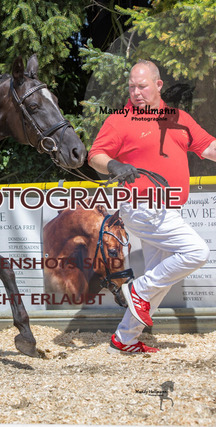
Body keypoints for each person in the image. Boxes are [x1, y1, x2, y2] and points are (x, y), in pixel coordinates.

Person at [88, 60, 216, 354]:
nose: (136, 92)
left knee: (161, 278)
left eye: (142, 86)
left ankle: (124, 340)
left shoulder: (178, 118)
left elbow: (208, 147)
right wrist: (114, 165)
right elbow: (95, 155)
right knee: (196, 252)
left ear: (158, 85)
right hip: (142, 206)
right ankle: (137, 289)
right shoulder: (119, 120)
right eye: (131, 87)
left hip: (168, 210)